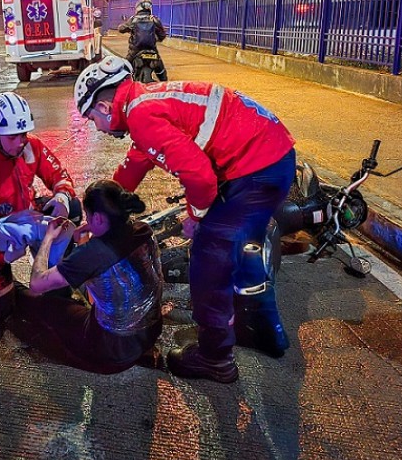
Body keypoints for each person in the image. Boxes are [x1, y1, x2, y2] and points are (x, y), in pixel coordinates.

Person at [74, 56, 296, 383]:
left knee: (209, 259)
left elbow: (200, 179)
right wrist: (98, 215)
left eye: (91, 117)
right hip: (271, 158)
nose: (95, 126)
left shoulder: (141, 115)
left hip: (256, 168)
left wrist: (196, 216)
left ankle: (215, 358)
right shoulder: (144, 102)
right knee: (244, 248)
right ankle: (264, 330)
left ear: (105, 107)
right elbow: (133, 168)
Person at [10, 179, 163, 374]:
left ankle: (8, 290)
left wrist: (48, 238)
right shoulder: (142, 229)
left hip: (112, 350)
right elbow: (111, 253)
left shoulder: (92, 254)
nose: (87, 222)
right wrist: (91, 232)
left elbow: (37, 283)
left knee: (44, 304)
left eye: (89, 218)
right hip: (150, 333)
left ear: (98, 218)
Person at [0, 91, 77, 325]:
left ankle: (55, 276)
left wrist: (62, 196)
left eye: (23, 134)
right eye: (12, 137)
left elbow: (59, 175)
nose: (20, 142)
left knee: (73, 209)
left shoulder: (31, 146)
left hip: (26, 215)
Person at [117, 0, 167, 81]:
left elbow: (121, 29)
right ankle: (165, 84)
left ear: (138, 8)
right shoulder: (154, 19)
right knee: (160, 69)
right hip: (152, 49)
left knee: (125, 68)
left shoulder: (133, 19)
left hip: (135, 50)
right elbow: (162, 35)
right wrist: (158, 38)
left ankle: (124, 85)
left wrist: (126, 28)